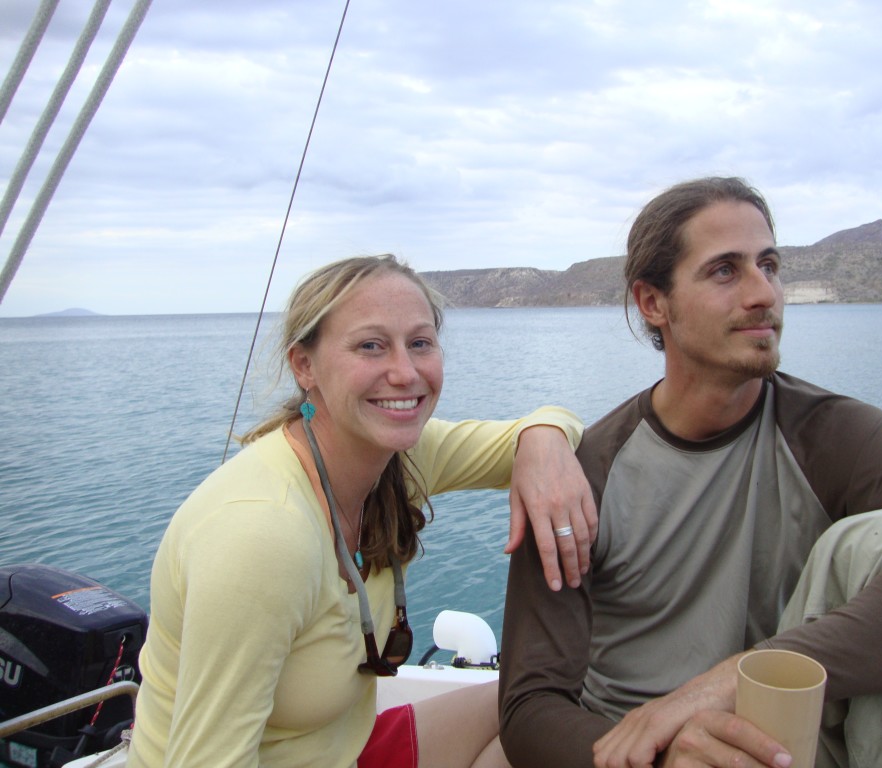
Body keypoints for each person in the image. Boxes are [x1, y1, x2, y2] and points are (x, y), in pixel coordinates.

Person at [499, 177, 882, 768]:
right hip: (648, 754)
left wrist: (738, 679)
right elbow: (530, 707)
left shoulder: (832, 435)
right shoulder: (586, 476)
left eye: (769, 266)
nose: (763, 294)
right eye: (725, 271)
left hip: (786, 746)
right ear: (653, 303)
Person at [127, 254, 597, 768]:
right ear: (304, 366)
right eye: (371, 346)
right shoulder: (262, 534)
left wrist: (545, 438)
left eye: (420, 343)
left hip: (346, 753)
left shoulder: (398, 457)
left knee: (541, 703)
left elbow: (554, 423)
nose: (405, 372)